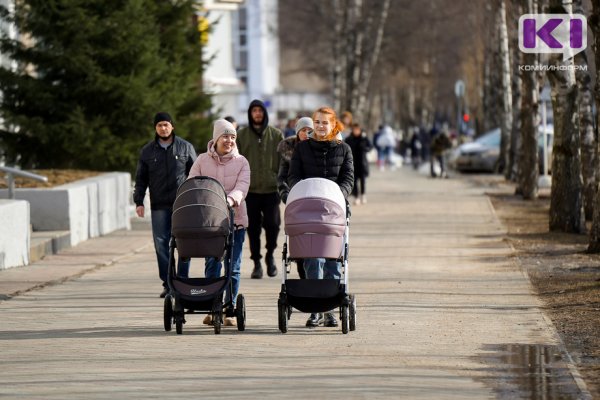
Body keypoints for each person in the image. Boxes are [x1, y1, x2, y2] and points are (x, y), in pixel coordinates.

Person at [289, 106, 354, 328]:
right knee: (312, 258)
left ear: (333, 124)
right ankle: (314, 308)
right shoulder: (302, 148)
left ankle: (329, 309)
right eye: (317, 122)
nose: (320, 126)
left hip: (334, 211)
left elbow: (348, 179)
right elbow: (294, 176)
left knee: (332, 259)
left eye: (325, 123)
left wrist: (336, 195)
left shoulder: (344, 149)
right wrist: (301, 193)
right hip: (309, 210)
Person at [188, 119, 250, 326]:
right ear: (216, 138)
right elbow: (192, 184)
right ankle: (213, 307)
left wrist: (229, 200)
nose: (229, 140)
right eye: (225, 136)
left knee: (233, 267)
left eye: (233, 137)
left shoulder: (242, 162)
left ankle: (230, 309)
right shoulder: (202, 161)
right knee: (212, 264)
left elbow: (242, 186)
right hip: (210, 223)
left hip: (235, 221)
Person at [133, 112, 197, 298]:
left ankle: (183, 281)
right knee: (161, 244)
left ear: (172, 126)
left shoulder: (186, 147)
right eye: (159, 125)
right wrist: (138, 201)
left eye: (166, 125)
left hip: (182, 205)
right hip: (159, 205)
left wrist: (196, 200)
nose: (163, 128)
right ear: (155, 128)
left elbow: (196, 175)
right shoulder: (147, 151)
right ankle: (169, 283)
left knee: (184, 243)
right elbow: (141, 179)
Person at [236, 99, 284, 279]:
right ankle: (256, 262)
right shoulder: (241, 135)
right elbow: (236, 161)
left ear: (265, 113)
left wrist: (280, 182)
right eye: (254, 111)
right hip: (250, 192)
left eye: (260, 111)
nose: (257, 114)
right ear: (250, 114)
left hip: (271, 190)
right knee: (253, 229)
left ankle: (270, 255)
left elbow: (282, 163)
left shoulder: (276, 135)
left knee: (273, 226)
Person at [277, 116, 313, 279]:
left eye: (309, 131)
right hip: (296, 200)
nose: (306, 134)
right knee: (298, 236)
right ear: (297, 132)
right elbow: (281, 177)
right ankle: (301, 270)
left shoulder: (317, 149)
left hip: (314, 199)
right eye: (303, 130)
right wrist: (286, 195)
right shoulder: (288, 149)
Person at [344, 122, 373, 206]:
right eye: (354, 129)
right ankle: (356, 197)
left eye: (357, 130)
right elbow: (345, 148)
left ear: (360, 130)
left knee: (363, 181)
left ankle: (363, 195)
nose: (356, 131)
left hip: (362, 163)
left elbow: (370, 146)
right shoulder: (349, 139)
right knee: (354, 181)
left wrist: (365, 149)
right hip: (353, 163)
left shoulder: (364, 138)